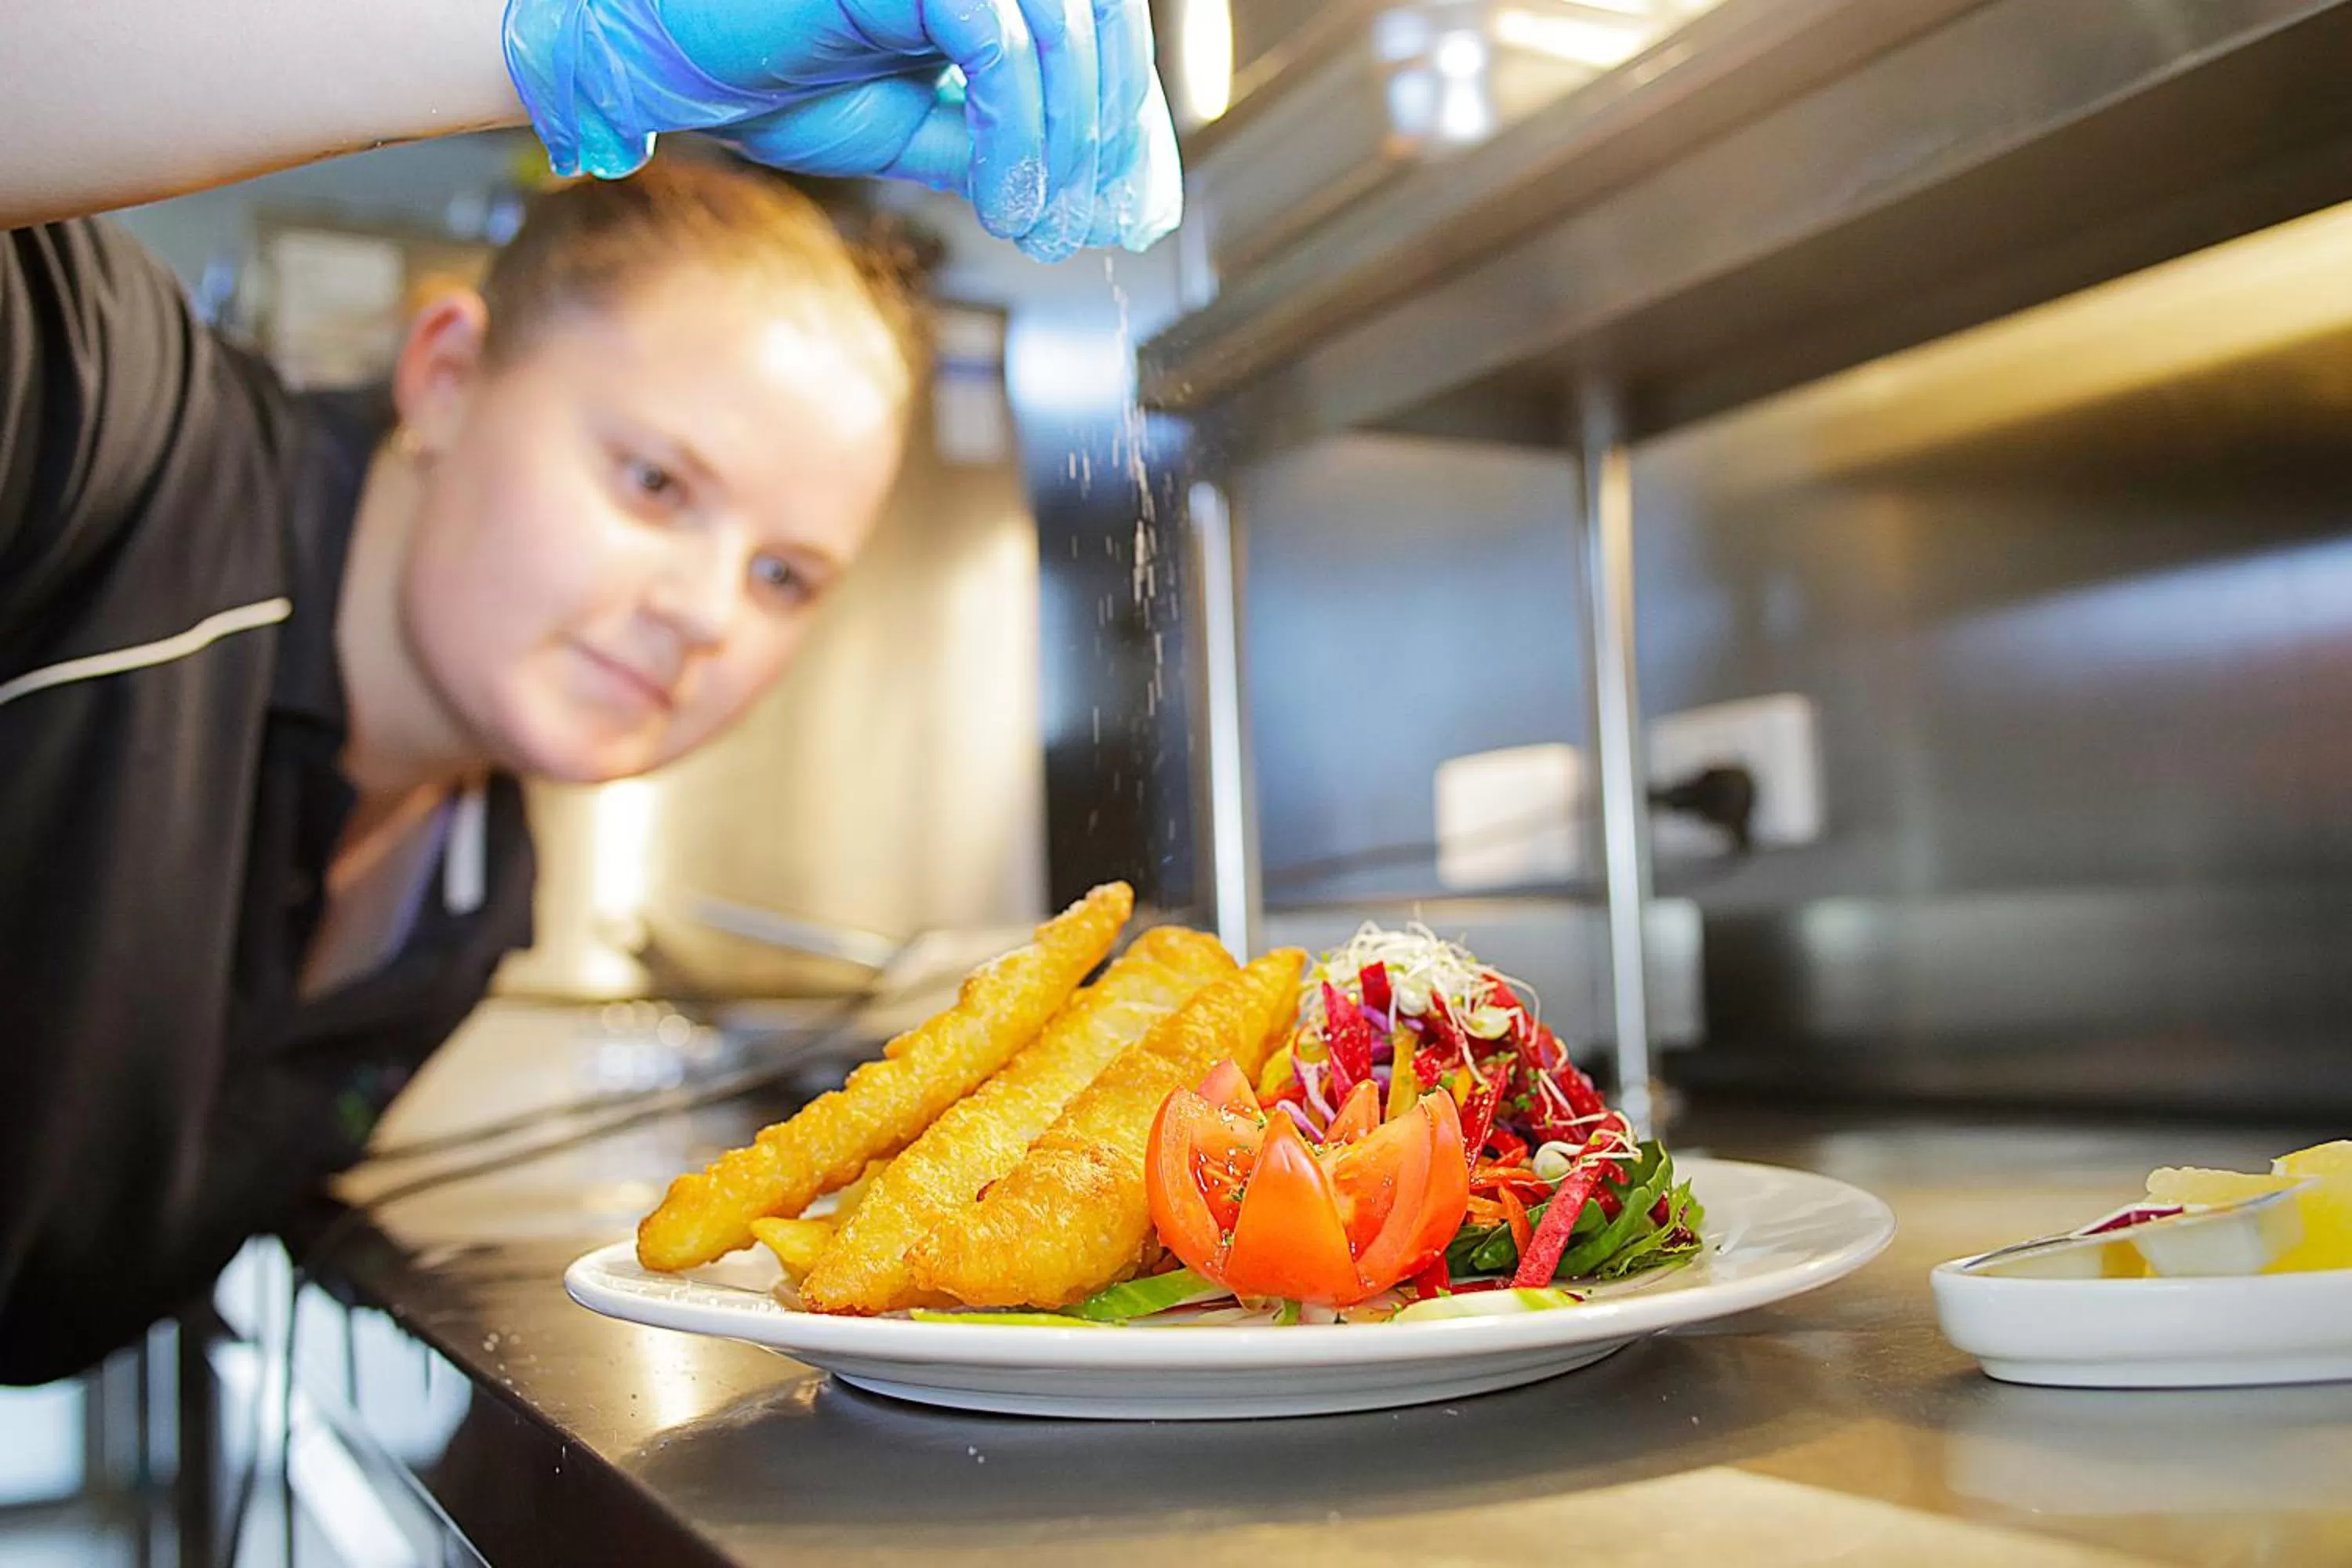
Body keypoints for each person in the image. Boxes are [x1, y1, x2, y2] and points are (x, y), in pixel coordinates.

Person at [0, 0, 1182, 1384]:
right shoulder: (123, 442)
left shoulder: (477, 889)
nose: (700, 615)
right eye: (656, 483)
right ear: (445, 377)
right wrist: (528, 28)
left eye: (785, 578)